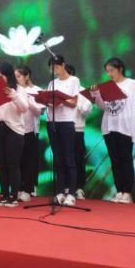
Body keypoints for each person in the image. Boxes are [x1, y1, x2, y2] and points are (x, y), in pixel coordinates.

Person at [90, 58, 135, 204]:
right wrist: (97, 96)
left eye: (111, 70)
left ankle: (127, 192)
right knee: (115, 161)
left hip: (125, 128)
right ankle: (119, 191)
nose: (109, 74)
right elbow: (104, 107)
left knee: (126, 160)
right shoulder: (108, 86)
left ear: (120, 69)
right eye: (107, 71)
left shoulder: (132, 84)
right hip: (109, 127)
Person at [0, 62, 29, 208]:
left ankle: (13, 196)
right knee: (1, 164)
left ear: (9, 75)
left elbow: (24, 108)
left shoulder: (19, 89)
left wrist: (14, 96)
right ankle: (3, 194)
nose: (0, 78)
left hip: (14, 130)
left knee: (13, 164)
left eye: (2, 75)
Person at [49, 55, 80, 206]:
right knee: (58, 159)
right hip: (52, 121)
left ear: (63, 65)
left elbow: (74, 102)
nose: (54, 70)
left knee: (69, 158)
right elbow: (49, 101)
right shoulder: (52, 83)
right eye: (51, 68)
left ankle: (71, 193)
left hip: (67, 121)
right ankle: (60, 191)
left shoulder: (73, 80)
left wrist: (60, 99)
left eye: (56, 67)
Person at [15, 65, 45, 202]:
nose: (16, 79)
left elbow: (39, 111)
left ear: (27, 76)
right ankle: (18, 187)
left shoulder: (36, 90)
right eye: (15, 77)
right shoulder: (15, 90)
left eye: (19, 76)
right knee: (18, 160)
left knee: (29, 160)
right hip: (17, 129)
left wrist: (27, 99)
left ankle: (28, 188)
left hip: (31, 130)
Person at [65, 64, 92, 200]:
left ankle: (79, 187)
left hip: (77, 129)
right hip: (62, 129)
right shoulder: (58, 89)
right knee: (63, 158)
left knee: (78, 159)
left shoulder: (82, 91)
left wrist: (76, 103)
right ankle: (65, 186)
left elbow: (88, 109)